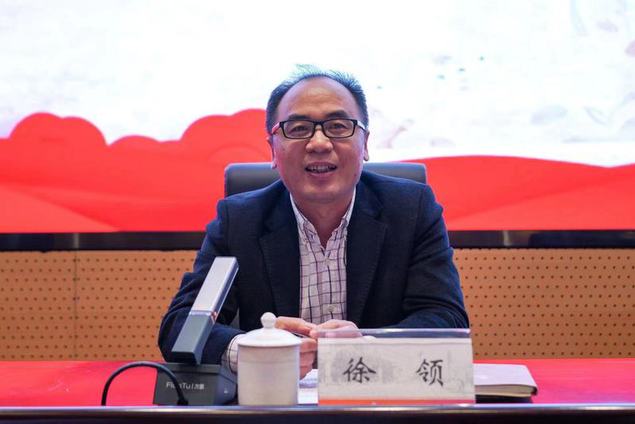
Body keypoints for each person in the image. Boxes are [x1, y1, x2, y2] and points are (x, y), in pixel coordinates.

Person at [158, 67, 469, 378]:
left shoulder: (411, 210)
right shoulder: (239, 221)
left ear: (365, 144)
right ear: (273, 150)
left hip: (377, 398)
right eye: (298, 128)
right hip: (274, 400)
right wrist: (254, 350)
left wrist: (367, 348)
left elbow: (446, 319)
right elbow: (181, 328)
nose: (319, 143)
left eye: (338, 126)